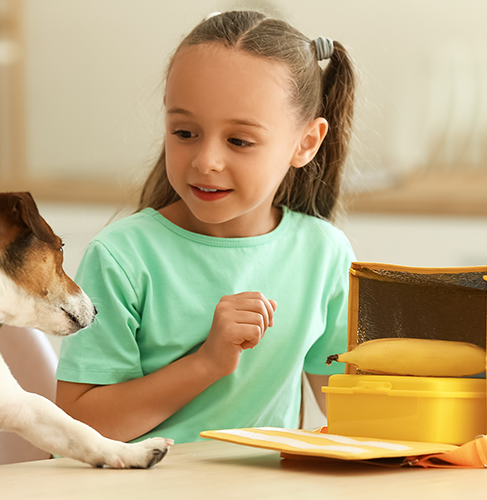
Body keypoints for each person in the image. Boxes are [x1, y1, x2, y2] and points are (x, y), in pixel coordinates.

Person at [54, 10, 357, 445]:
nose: (205, 161)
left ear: (305, 143)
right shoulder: (122, 257)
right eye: (184, 132)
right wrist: (207, 363)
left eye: (239, 141)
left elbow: (351, 413)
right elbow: (77, 429)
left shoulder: (324, 254)